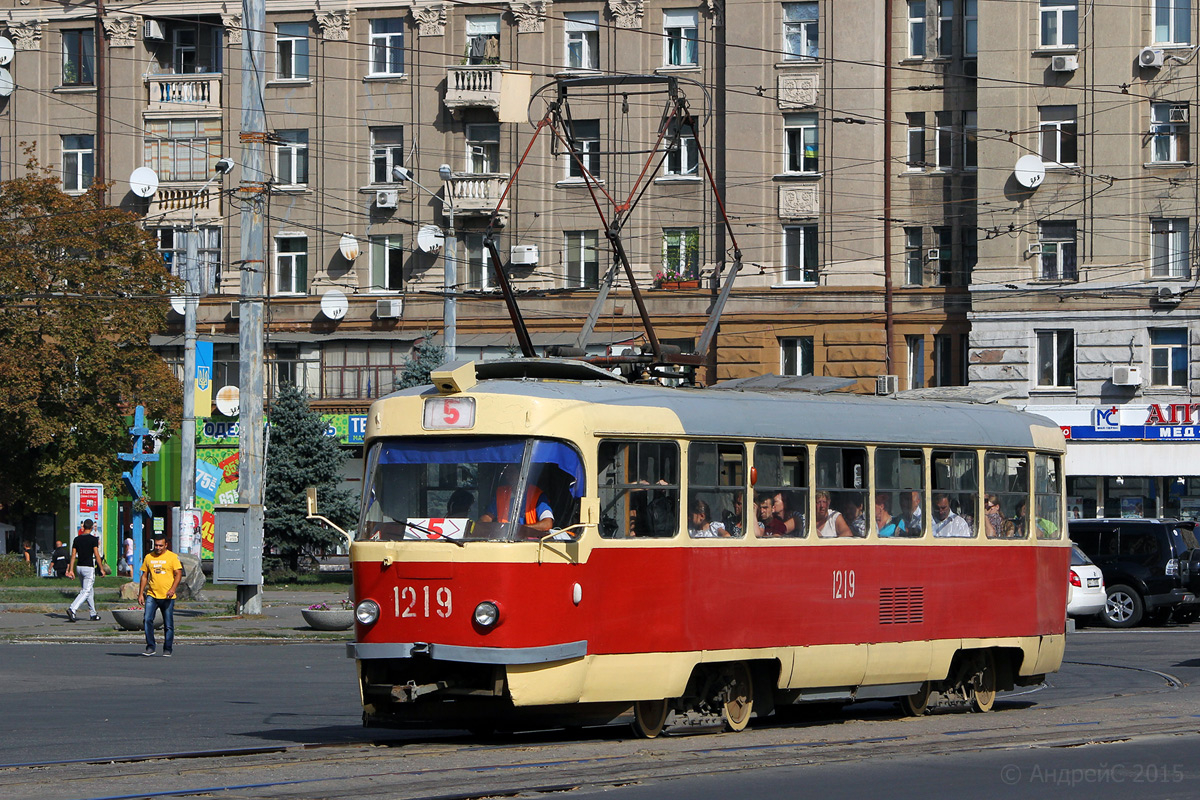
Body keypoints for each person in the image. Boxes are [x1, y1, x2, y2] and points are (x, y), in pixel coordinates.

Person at [137, 531, 183, 657]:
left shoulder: (172, 557)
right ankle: (150, 647)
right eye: (156, 545)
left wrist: (173, 589)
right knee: (147, 619)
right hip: (152, 594)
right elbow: (144, 576)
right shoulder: (149, 557)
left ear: (166, 545)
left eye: (161, 545)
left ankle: (167, 648)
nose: (158, 548)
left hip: (167, 596)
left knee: (168, 624)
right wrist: (140, 593)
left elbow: (178, 574)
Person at [479, 464, 554, 533]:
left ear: (522, 474)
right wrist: (479, 525)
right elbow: (488, 517)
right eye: (507, 473)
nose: (508, 476)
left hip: (529, 541)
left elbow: (547, 524)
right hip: (503, 539)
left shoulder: (537, 496)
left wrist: (520, 529)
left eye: (512, 472)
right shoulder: (502, 494)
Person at [65, 519, 102, 622]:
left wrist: (71, 570)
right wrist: (101, 568)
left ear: (84, 527)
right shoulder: (93, 539)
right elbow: (96, 554)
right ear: (91, 527)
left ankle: (93, 614)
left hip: (79, 567)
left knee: (89, 590)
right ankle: (72, 609)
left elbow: (73, 555)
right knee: (86, 591)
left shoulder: (77, 539)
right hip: (88, 567)